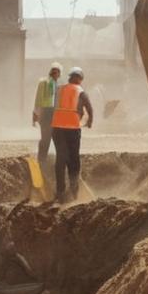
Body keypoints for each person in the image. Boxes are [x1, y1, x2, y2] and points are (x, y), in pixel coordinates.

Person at [50, 66, 93, 203]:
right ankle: (74, 191)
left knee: (61, 159)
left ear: (69, 77)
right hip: (72, 128)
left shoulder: (59, 89)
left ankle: (60, 192)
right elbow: (89, 107)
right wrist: (90, 120)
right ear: (79, 78)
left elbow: (52, 106)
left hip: (57, 128)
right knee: (73, 159)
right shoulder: (80, 91)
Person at [32, 62, 63, 171]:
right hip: (46, 113)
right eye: (54, 71)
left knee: (53, 138)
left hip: (54, 113)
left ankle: (51, 160)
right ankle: (41, 160)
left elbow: (58, 101)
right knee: (46, 137)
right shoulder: (44, 82)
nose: (55, 73)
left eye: (57, 71)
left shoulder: (57, 85)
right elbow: (38, 98)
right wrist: (35, 113)